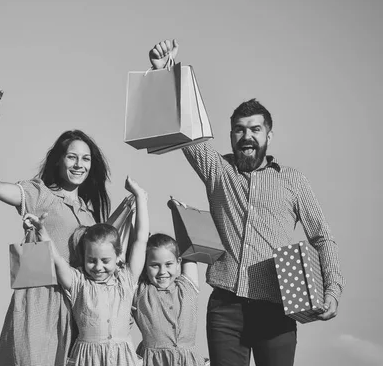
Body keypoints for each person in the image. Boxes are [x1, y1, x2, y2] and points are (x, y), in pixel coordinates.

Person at [146, 40, 345, 366]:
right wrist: (164, 74)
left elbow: (322, 236)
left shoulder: (292, 180)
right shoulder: (218, 171)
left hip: (278, 307)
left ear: (269, 135)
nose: (246, 135)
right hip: (225, 307)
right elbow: (186, 132)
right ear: (231, 135)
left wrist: (333, 289)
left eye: (255, 129)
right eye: (239, 130)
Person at [0, 105, 111, 366]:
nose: (79, 164)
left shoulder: (89, 214)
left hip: (77, 312)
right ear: (59, 160)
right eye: (72, 157)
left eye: (85, 159)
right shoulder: (40, 194)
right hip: (39, 303)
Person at [25, 176, 149, 366]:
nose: (98, 267)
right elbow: (56, 259)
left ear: (118, 256)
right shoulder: (79, 282)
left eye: (105, 261)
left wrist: (139, 197)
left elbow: (141, 239)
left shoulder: (126, 279)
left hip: (122, 359)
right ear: (84, 258)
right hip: (87, 358)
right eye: (92, 261)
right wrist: (41, 232)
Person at [133, 233, 208, 366]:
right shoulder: (141, 291)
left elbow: (187, 243)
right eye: (155, 265)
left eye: (168, 264)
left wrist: (178, 211)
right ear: (144, 265)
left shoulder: (187, 287)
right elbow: (135, 245)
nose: (162, 271)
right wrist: (134, 212)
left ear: (178, 262)